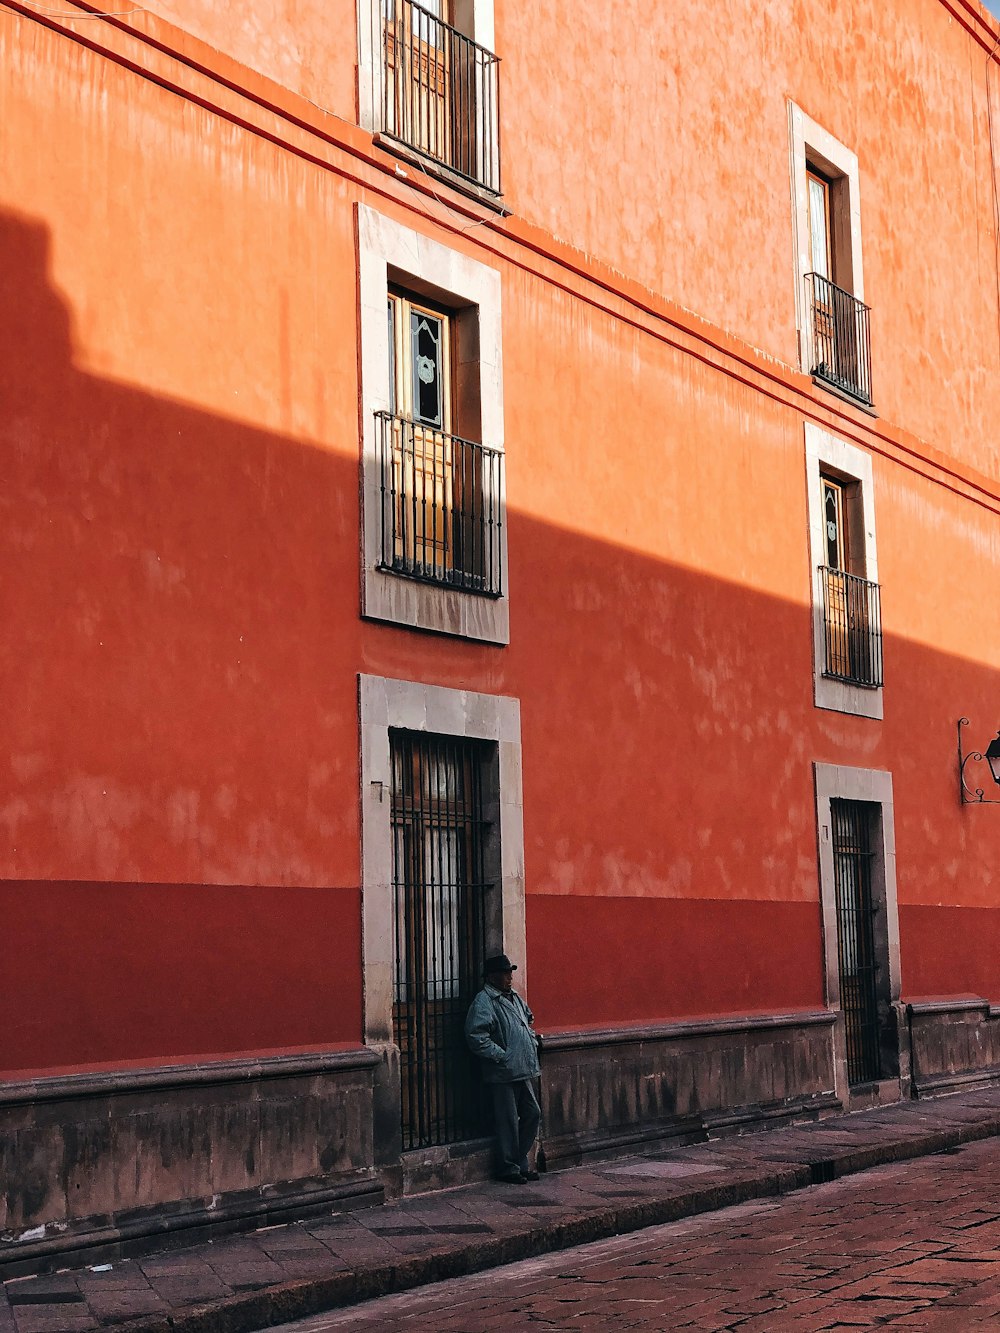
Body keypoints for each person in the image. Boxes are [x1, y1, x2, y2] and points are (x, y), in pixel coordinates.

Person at [464, 953, 541, 1184]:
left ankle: (518, 1161)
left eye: (510, 973)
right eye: (505, 973)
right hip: (503, 1071)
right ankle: (509, 1167)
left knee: (532, 1113)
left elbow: (527, 1017)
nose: (510, 977)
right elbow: (476, 1035)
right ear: (492, 977)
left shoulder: (513, 997)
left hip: (522, 1067)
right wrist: (501, 1055)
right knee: (507, 1121)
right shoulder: (484, 1001)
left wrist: (531, 1041)